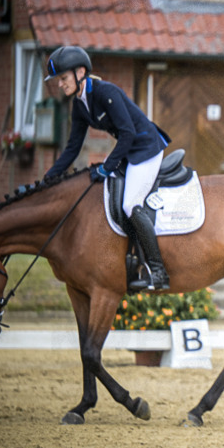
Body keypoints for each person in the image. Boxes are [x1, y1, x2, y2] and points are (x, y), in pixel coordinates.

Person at [43, 45, 172, 290]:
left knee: (129, 204)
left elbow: (128, 133)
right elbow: (72, 147)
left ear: (80, 71)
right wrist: (50, 176)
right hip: (128, 152)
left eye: (63, 78)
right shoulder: (80, 105)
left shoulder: (106, 92)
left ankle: (158, 271)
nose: (60, 84)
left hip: (146, 150)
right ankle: (130, 261)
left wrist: (106, 167)